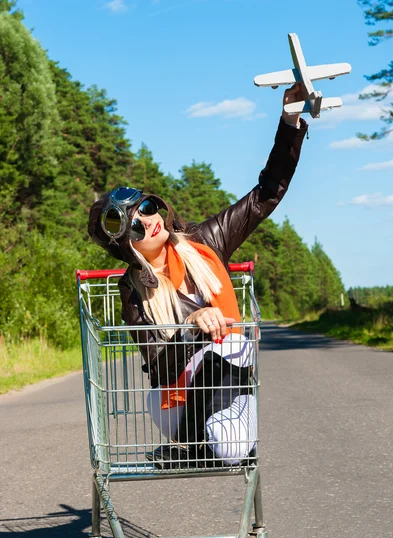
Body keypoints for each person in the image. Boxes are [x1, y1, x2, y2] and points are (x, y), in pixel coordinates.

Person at [88, 83, 308, 469]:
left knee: (229, 353)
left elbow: (265, 194)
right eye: (134, 226)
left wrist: (289, 119)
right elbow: (159, 367)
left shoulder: (207, 241)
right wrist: (192, 326)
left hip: (229, 375)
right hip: (176, 399)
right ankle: (203, 442)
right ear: (125, 245)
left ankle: (198, 451)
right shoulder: (133, 290)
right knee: (219, 349)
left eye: (146, 208)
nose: (148, 222)